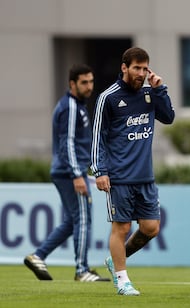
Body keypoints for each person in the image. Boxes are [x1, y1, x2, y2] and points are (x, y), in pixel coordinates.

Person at [91, 47, 175, 296]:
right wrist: (99, 171)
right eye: (136, 68)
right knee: (122, 228)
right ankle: (122, 279)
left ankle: (115, 260)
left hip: (145, 176)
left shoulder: (150, 93)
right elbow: (98, 137)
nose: (141, 73)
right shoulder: (109, 97)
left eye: (144, 68)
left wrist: (160, 89)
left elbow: (169, 118)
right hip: (119, 177)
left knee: (151, 228)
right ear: (124, 68)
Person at [24, 64, 110, 282]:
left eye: (91, 81)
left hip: (66, 171)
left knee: (73, 220)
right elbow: (68, 143)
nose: (89, 86)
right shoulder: (71, 107)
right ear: (72, 84)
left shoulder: (76, 105)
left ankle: (38, 256)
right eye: (84, 82)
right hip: (69, 172)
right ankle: (82, 270)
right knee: (83, 219)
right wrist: (77, 174)